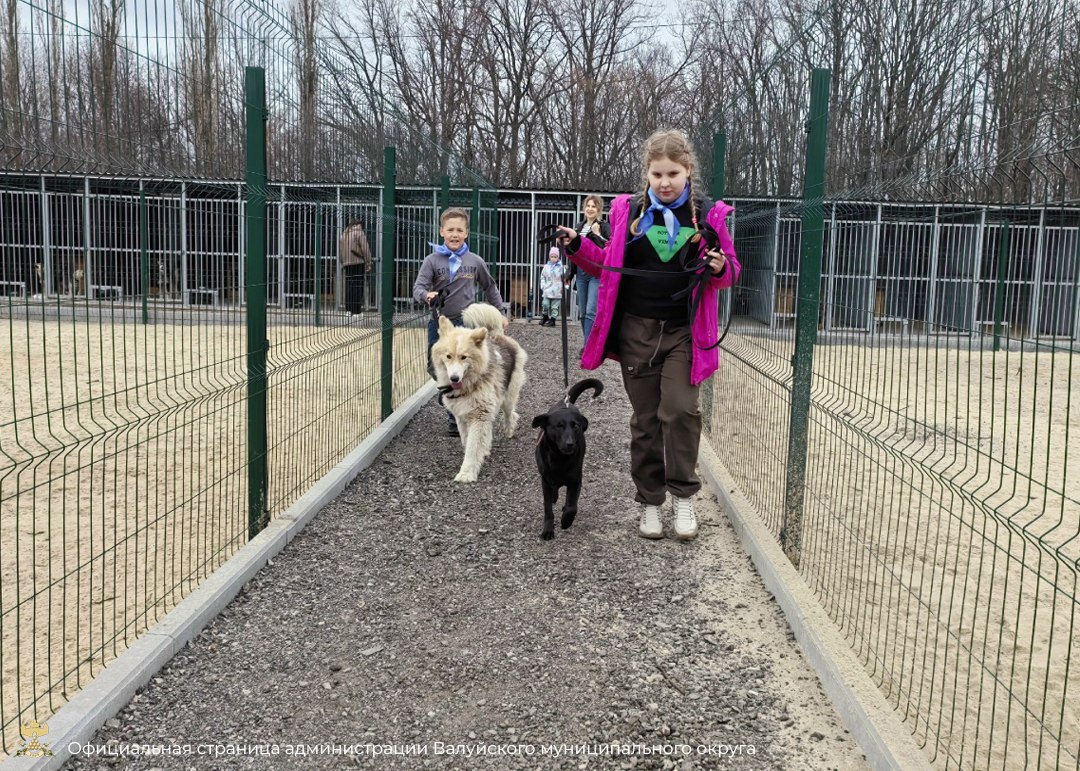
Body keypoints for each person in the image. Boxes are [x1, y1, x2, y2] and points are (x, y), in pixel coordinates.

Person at [556, 128, 741, 542]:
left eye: (673, 173)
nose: (665, 181)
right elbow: (606, 264)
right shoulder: (629, 213)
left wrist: (718, 267)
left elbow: (731, 271)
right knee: (645, 421)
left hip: (684, 332)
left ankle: (683, 496)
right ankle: (651, 503)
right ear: (647, 173)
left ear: (688, 170)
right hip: (637, 331)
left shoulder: (709, 218)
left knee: (680, 411)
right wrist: (576, 247)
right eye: (657, 174)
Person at [413, 207, 506, 436]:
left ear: (466, 233)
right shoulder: (432, 260)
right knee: (434, 364)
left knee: (463, 369)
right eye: (450, 230)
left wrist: (501, 312)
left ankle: (457, 417)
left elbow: (489, 286)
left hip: (466, 324)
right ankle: (446, 388)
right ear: (442, 231)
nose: (454, 234)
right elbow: (418, 287)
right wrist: (427, 296)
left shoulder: (474, 261)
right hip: (441, 323)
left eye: (459, 230)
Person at [568, 195, 610, 347]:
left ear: (599, 209)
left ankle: (588, 346)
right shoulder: (578, 228)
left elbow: (609, 248)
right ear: (584, 208)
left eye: (594, 206)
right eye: (588, 206)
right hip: (580, 273)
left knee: (592, 311)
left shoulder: (604, 227)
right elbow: (574, 252)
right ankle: (589, 343)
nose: (590, 209)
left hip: (596, 272)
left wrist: (597, 234)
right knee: (583, 312)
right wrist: (570, 273)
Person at [338, 220, 372, 315]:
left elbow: (340, 250)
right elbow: (365, 248)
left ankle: (348, 310)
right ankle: (356, 311)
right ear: (360, 224)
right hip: (358, 262)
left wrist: (342, 262)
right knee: (358, 286)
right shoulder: (359, 232)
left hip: (347, 264)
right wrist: (368, 262)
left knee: (349, 286)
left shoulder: (344, 233)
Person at [539, 246, 568, 327]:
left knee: (554, 307)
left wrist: (565, 286)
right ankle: (545, 317)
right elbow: (542, 277)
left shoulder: (561, 267)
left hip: (557, 290)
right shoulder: (546, 267)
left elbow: (565, 277)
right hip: (547, 289)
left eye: (555, 257)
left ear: (558, 257)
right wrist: (543, 285)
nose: (553, 258)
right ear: (549, 257)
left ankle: (553, 320)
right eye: (552, 256)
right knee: (545, 304)